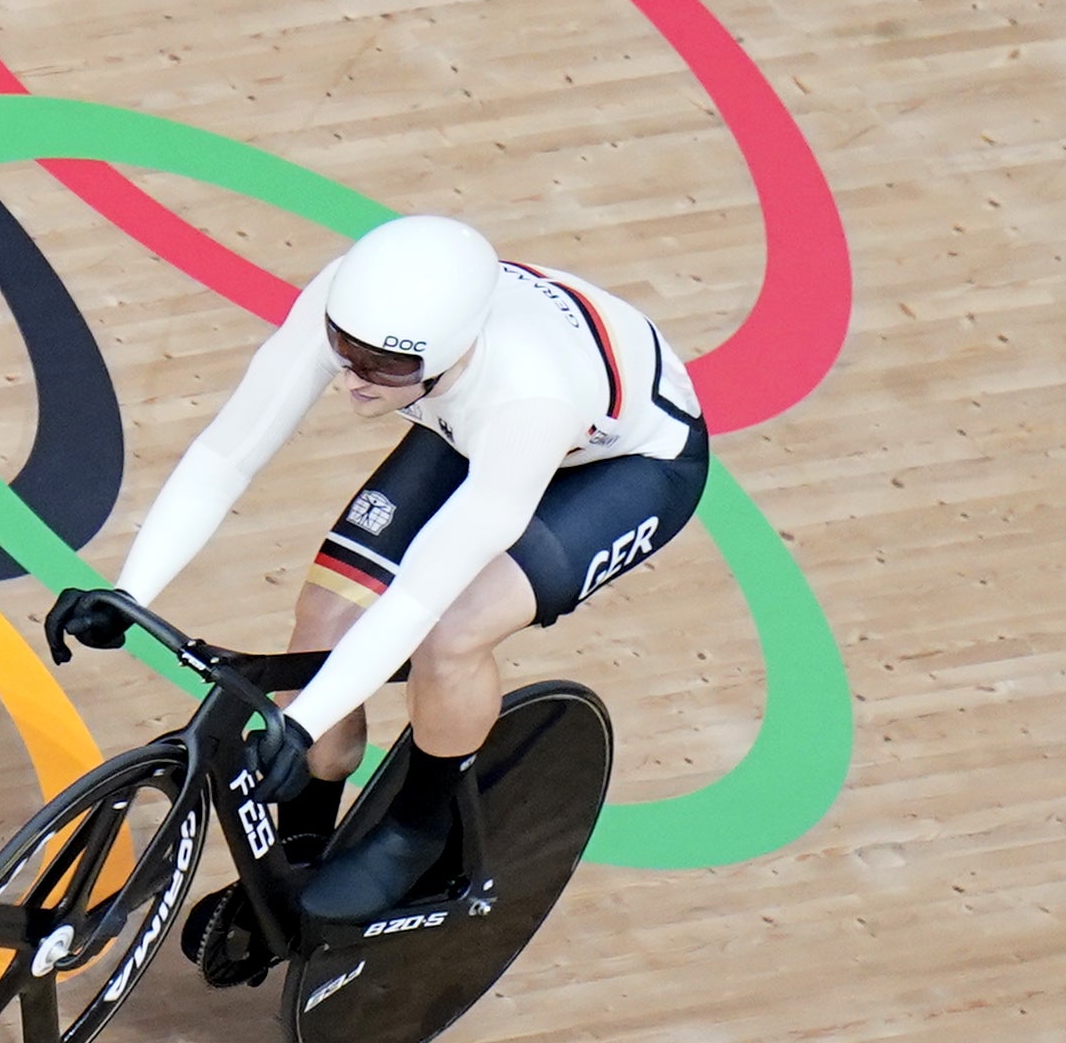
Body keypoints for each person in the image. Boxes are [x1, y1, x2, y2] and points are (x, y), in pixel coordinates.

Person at [51, 214, 708, 922]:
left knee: (452, 632)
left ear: (450, 353)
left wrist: (299, 723)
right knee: (323, 619)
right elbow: (225, 455)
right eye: (345, 351)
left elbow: (416, 601)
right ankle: (302, 832)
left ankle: (415, 829)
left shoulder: (527, 398)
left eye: (386, 367)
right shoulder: (352, 306)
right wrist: (129, 589)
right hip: (458, 420)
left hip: (627, 465)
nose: (355, 381)